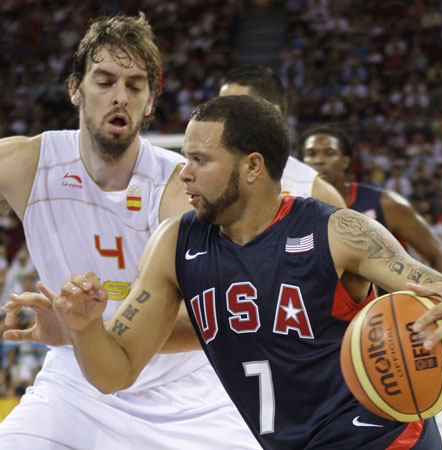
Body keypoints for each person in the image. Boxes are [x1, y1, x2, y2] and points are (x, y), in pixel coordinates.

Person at [50, 96, 442, 450]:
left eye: (201, 160)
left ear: (252, 166)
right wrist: (85, 328)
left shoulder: (337, 231)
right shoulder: (174, 244)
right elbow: (116, 372)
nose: (184, 174)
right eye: (185, 158)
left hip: (383, 440)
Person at [0, 14, 259, 449]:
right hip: (75, 388)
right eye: (104, 82)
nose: (120, 96)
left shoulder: (181, 189)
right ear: (75, 89)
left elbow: (218, 317)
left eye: (135, 86)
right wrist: (81, 338)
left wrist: (85, 332)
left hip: (187, 400)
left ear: (151, 101)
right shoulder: (25, 164)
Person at [300, 124, 442, 282]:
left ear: (346, 161)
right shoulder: (295, 208)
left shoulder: (385, 203)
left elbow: (437, 254)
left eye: (329, 153)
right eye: (311, 154)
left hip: (387, 297)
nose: (319, 161)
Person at [218, 64, 346, 207]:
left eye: (235, 109)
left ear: (270, 113)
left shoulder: (315, 193)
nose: (224, 119)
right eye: (221, 109)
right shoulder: (206, 179)